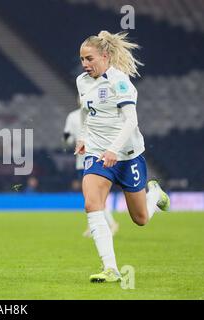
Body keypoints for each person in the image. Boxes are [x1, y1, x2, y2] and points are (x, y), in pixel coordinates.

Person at [74, 31, 170, 283]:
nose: (85, 64)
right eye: (82, 59)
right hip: (97, 154)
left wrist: (114, 149)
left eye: (89, 58)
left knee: (140, 219)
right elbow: (87, 113)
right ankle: (111, 269)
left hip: (127, 155)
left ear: (105, 56)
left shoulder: (120, 82)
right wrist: (84, 137)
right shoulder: (82, 82)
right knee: (92, 204)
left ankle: (155, 195)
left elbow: (131, 121)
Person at [63, 106, 119, 237]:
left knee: (94, 197)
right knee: (91, 198)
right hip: (87, 159)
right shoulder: (79, 115)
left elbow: (67, 139)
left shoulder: (77, 115)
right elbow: (68, 139)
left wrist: (68, 141)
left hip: (92, 159)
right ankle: (93, 226)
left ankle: (111, 223)